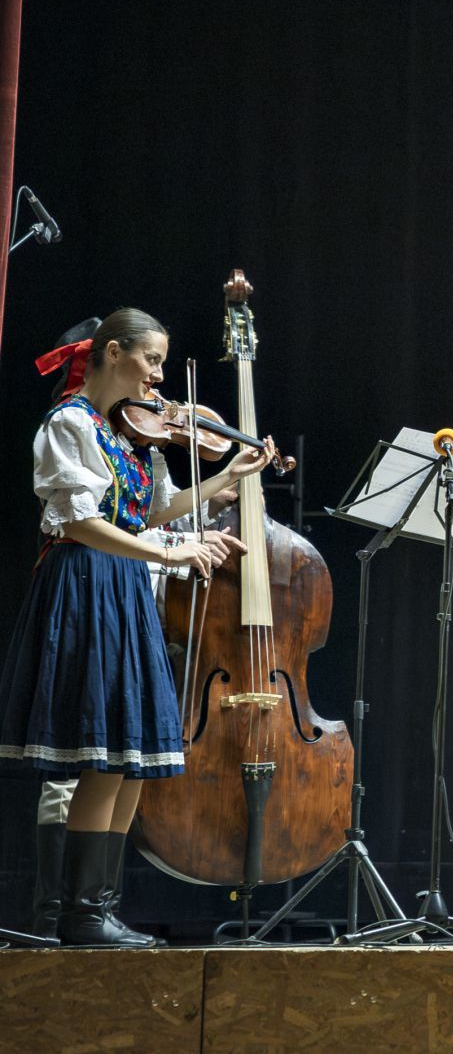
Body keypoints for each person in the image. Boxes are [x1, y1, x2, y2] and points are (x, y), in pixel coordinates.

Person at [0, 309, 275, 946]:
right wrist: (171, 553)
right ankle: (80, 914)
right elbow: (78, 523)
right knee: (103, 757)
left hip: (122, 583)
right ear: (113, 352)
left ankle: (99, 905)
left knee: (128, 759)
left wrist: (225, 477)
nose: (159, 377)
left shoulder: (125, 438)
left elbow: (149, 511)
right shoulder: (71, 423)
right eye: (152, 360)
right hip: (87, 581)